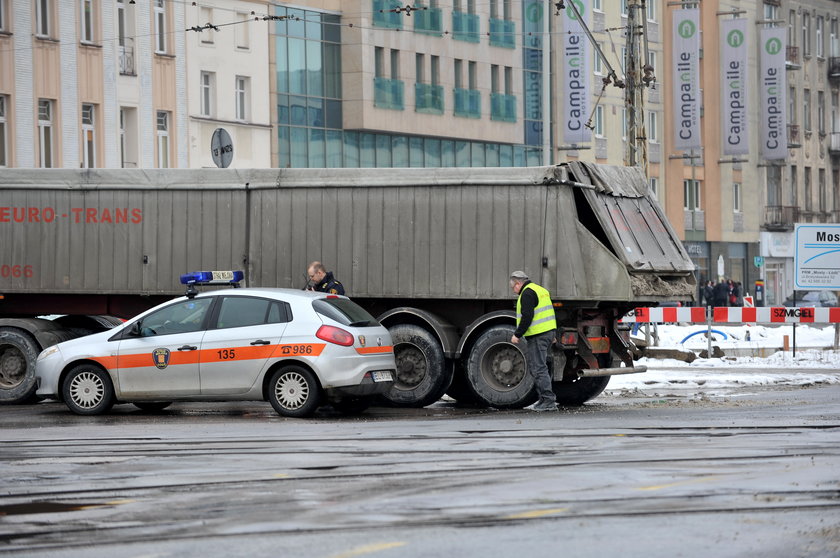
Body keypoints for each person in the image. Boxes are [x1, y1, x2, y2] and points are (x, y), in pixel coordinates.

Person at [509, 270, 558, 412]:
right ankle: (544, 400)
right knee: (541, 367)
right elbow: (549, 312)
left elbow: (527, 316)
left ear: (518, 283)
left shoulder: (527, 293)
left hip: (538, 335)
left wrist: (517, 334)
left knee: (538, 368)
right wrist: (552, 333)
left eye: (514, 288)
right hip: (547, 332)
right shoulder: (540, 290)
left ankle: (548, 400)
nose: (514, 291)